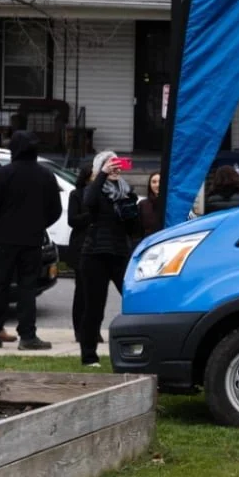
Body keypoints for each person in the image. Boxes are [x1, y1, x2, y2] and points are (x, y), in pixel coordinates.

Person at [0, 132, 61, 352]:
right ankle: (27, 336)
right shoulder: (46, 175)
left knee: (0, 285)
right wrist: (38, 224)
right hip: (32, 240)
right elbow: (56, 210)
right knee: (27, 288)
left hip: (2, 240)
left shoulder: (3, 174)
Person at [78, 151, 140, 367]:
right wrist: (102, 175)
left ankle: (137, 349)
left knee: (135, 300)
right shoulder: (95, 190)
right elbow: (89, 200)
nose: (115, 168)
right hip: (95, 254)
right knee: (94, 307)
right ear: (100, 168)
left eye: (117, 163)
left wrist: (131, 211)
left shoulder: (125, 191)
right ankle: (88, 356)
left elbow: (133, 227)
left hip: (120, 252)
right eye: (109, 164)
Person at [68, 164, 93, 346]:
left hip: (98, 245)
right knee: (81, 291)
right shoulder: (76, 195)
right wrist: (92, 214)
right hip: (81, 245)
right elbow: (72, 220)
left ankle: (93, 329)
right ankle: (79, 329)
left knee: (95, 292)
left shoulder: (105, 194)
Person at [139, 170, 164, 237]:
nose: (157, 185)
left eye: (160, 181)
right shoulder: (142, 204)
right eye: (154, 182)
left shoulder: (170, 204)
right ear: (150, 185)